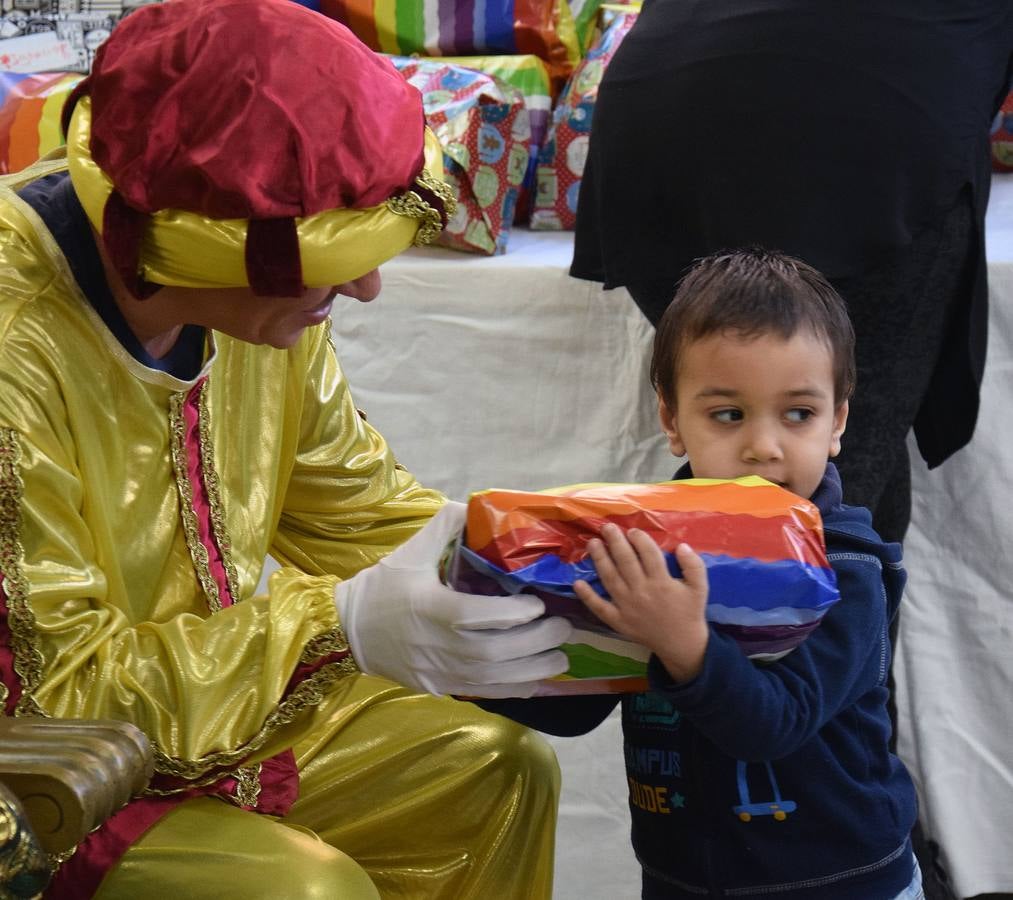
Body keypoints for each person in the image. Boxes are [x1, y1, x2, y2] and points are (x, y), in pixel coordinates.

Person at [0, 1, 574, 896]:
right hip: (44, 777)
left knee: (492, 768)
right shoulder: (16, 345)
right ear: (200, 242)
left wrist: (551, 586)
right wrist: (333, 627)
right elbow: (61, 693)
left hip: (207, 717)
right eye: (327, 252)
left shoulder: (259, 319)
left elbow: (365, 512)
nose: (370, 287)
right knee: (300, 891)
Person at [482, 249, 921, 899]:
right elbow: (574, 713)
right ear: (671, 419)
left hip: (842, 883)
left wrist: (680, 640)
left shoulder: (849, 567)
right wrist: (468, 649)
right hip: (681, 881)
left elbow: (775, 724)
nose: (762, 446)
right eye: (727, 414)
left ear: (838, 422)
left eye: (797, 413)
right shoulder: (640, 550)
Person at [570, 0, 1013, 546]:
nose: (764, 451)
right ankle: (720, 621)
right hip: (870, 131)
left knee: (841, 479)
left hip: (664, 113)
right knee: (797, 532)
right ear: (668, 418)